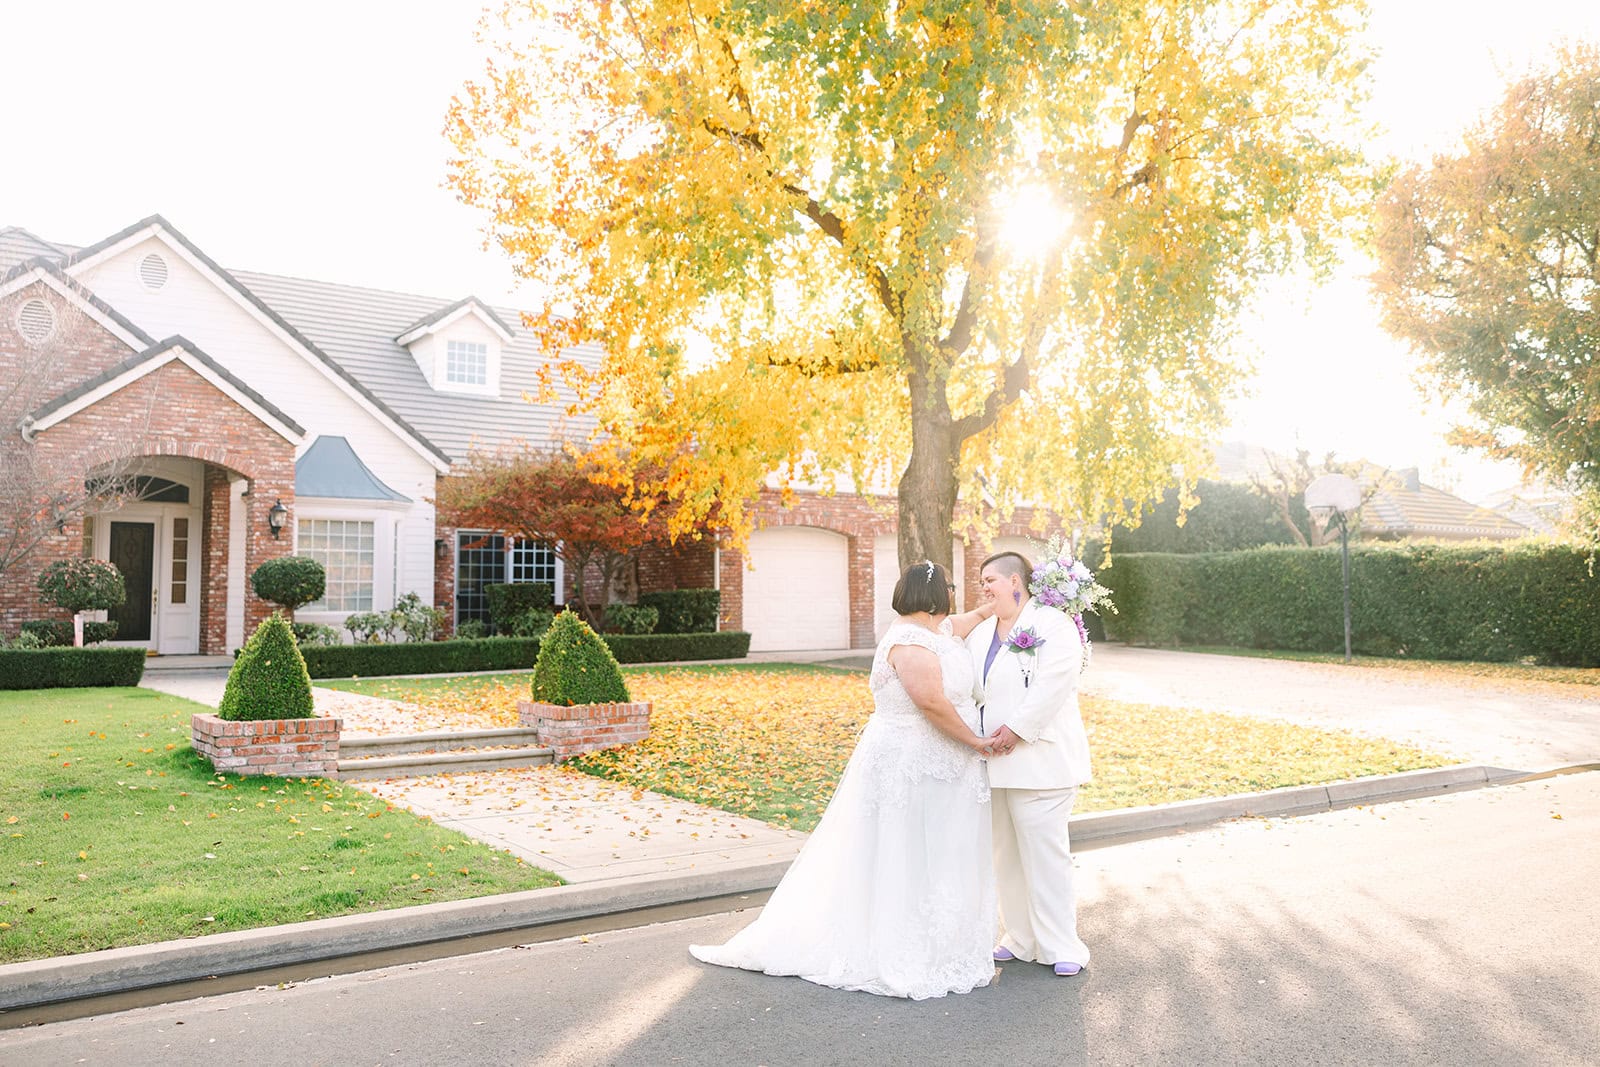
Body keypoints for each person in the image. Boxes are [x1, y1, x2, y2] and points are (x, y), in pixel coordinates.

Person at [690, 561, 996, 999]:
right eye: (950, 587)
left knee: (933, 851)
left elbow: (966, 623)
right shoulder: (908, 642)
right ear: (933, 594)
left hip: (942, 766)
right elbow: (931, 702)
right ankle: (898, 945)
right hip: (910, 762)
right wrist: (975, 741)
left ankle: (938, 939)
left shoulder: (937, 630)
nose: (955, 594)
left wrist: (995, 608)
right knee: (903, 849)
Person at [963, 550, 1092, 977]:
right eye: (981, 581)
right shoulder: (982, 633)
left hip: (1040, 761)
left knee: (1045, 855)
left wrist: (1015, 729)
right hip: (993, 764)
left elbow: (1053, 685)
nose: (983, 587)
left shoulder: (1053, 625)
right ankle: (1018, 936)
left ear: (1016, 582)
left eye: (990, 580)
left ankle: (1061, 944)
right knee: (1007, 855)